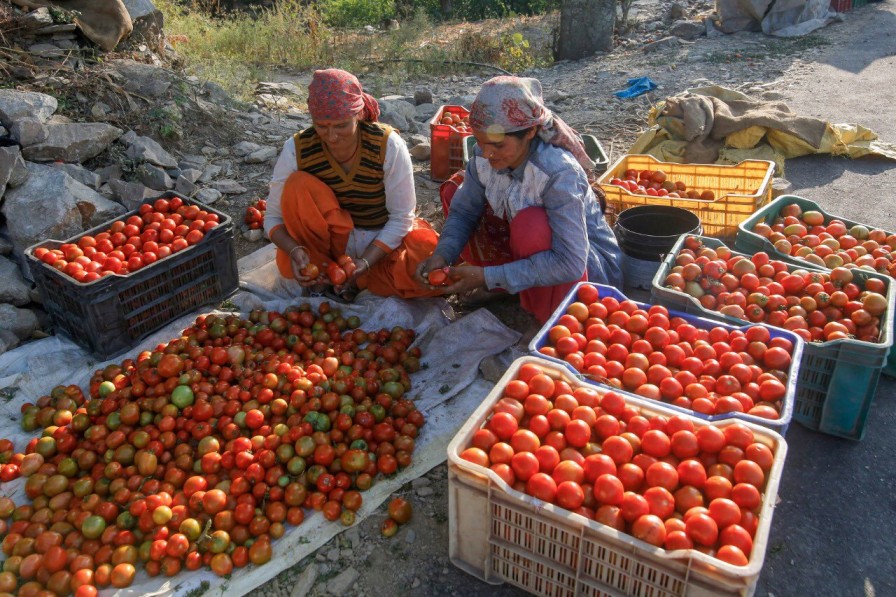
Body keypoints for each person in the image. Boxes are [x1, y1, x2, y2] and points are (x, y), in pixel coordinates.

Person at [416, 76, 623, 323]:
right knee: (455, 191)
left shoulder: (557, 173)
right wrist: (443, 254)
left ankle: (551, 318)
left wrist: (486, 276)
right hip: (539, 257)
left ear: (530, 132)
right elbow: (463, 212)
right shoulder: (484, 156)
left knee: (531, 224)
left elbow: (570, 263)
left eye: (498, 145)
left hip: (586, 275)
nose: (488, 153)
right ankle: (509, 285)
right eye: (481, 142)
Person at [264, 68, 440, 300]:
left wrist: (366, 261)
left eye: (341, 125)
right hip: (329, 245)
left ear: (357, 114)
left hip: (381, 243)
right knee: (297, 186)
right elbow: (272, 218)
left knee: (427, 259)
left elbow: (402, 217)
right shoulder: (296, 149)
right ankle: (335, 274)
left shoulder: (387, 145)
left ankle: (360, 278)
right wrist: (295, 251)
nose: (332, 136)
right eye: (322, 125)